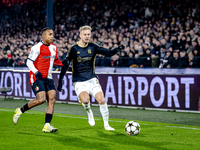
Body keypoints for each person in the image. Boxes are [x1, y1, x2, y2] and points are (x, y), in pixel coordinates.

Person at [57, 25, 125, 130]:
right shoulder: (74, 48)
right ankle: (89, 113)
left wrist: (117, 49)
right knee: (85, 100)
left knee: (102, 100)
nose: (87, 36)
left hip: (92, 78)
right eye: (85, 34)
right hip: (79, 80)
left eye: (88, 34)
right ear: (80, 35)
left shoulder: (93, 46)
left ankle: (106, 125)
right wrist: (60, 80)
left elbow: (107, 53)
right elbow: (65, 65)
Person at [13, 27, 63, 133]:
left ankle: (47, 125)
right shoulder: (37, 47)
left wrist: (64, 64)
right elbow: (29, 62)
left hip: (48, 77)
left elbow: (56, 60)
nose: (52, 36)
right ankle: (20, 110)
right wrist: (36, 72)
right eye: (50, 34)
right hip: (36, 76)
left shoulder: (54, 47)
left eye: (53, 34)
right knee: (41, 99)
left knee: (52, 99)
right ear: (43, 36)